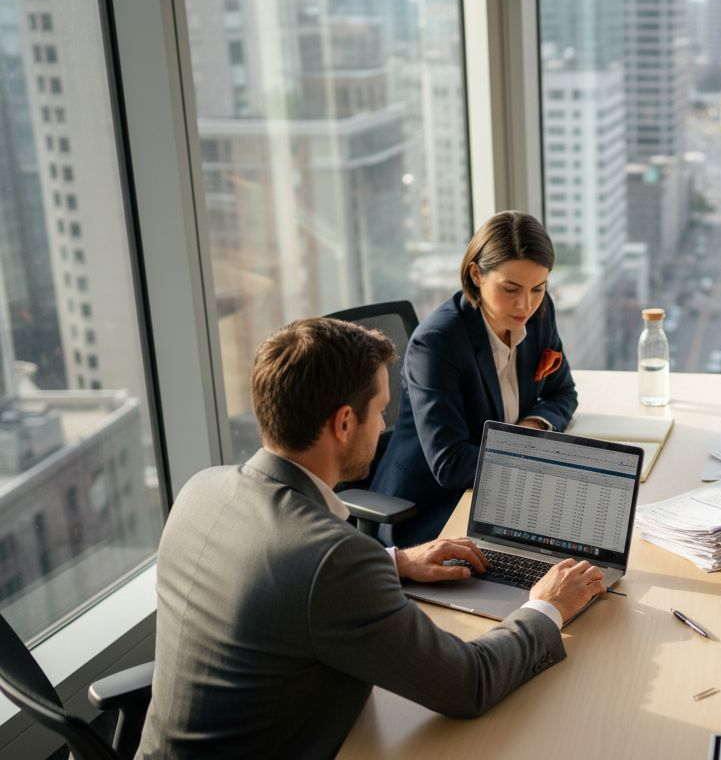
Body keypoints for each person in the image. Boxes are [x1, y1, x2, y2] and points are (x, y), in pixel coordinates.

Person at [137, 318, 607, 759]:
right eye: (381, 411)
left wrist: (394, 560)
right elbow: (469, 683)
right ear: (343, 423)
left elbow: (277, 582)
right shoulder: (333, 560)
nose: (385, 426)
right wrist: (547, 606)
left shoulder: (202, 488)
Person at [372, 211, 578, 547]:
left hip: (500, 491)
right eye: (510, 288)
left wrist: (531, 428)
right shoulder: (437, 343)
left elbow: (563, 393)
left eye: (538, 288)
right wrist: (528, 453)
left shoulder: (540, 313)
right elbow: (450, 464)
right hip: (431, 510)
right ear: (476, 274)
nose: (525, 304)